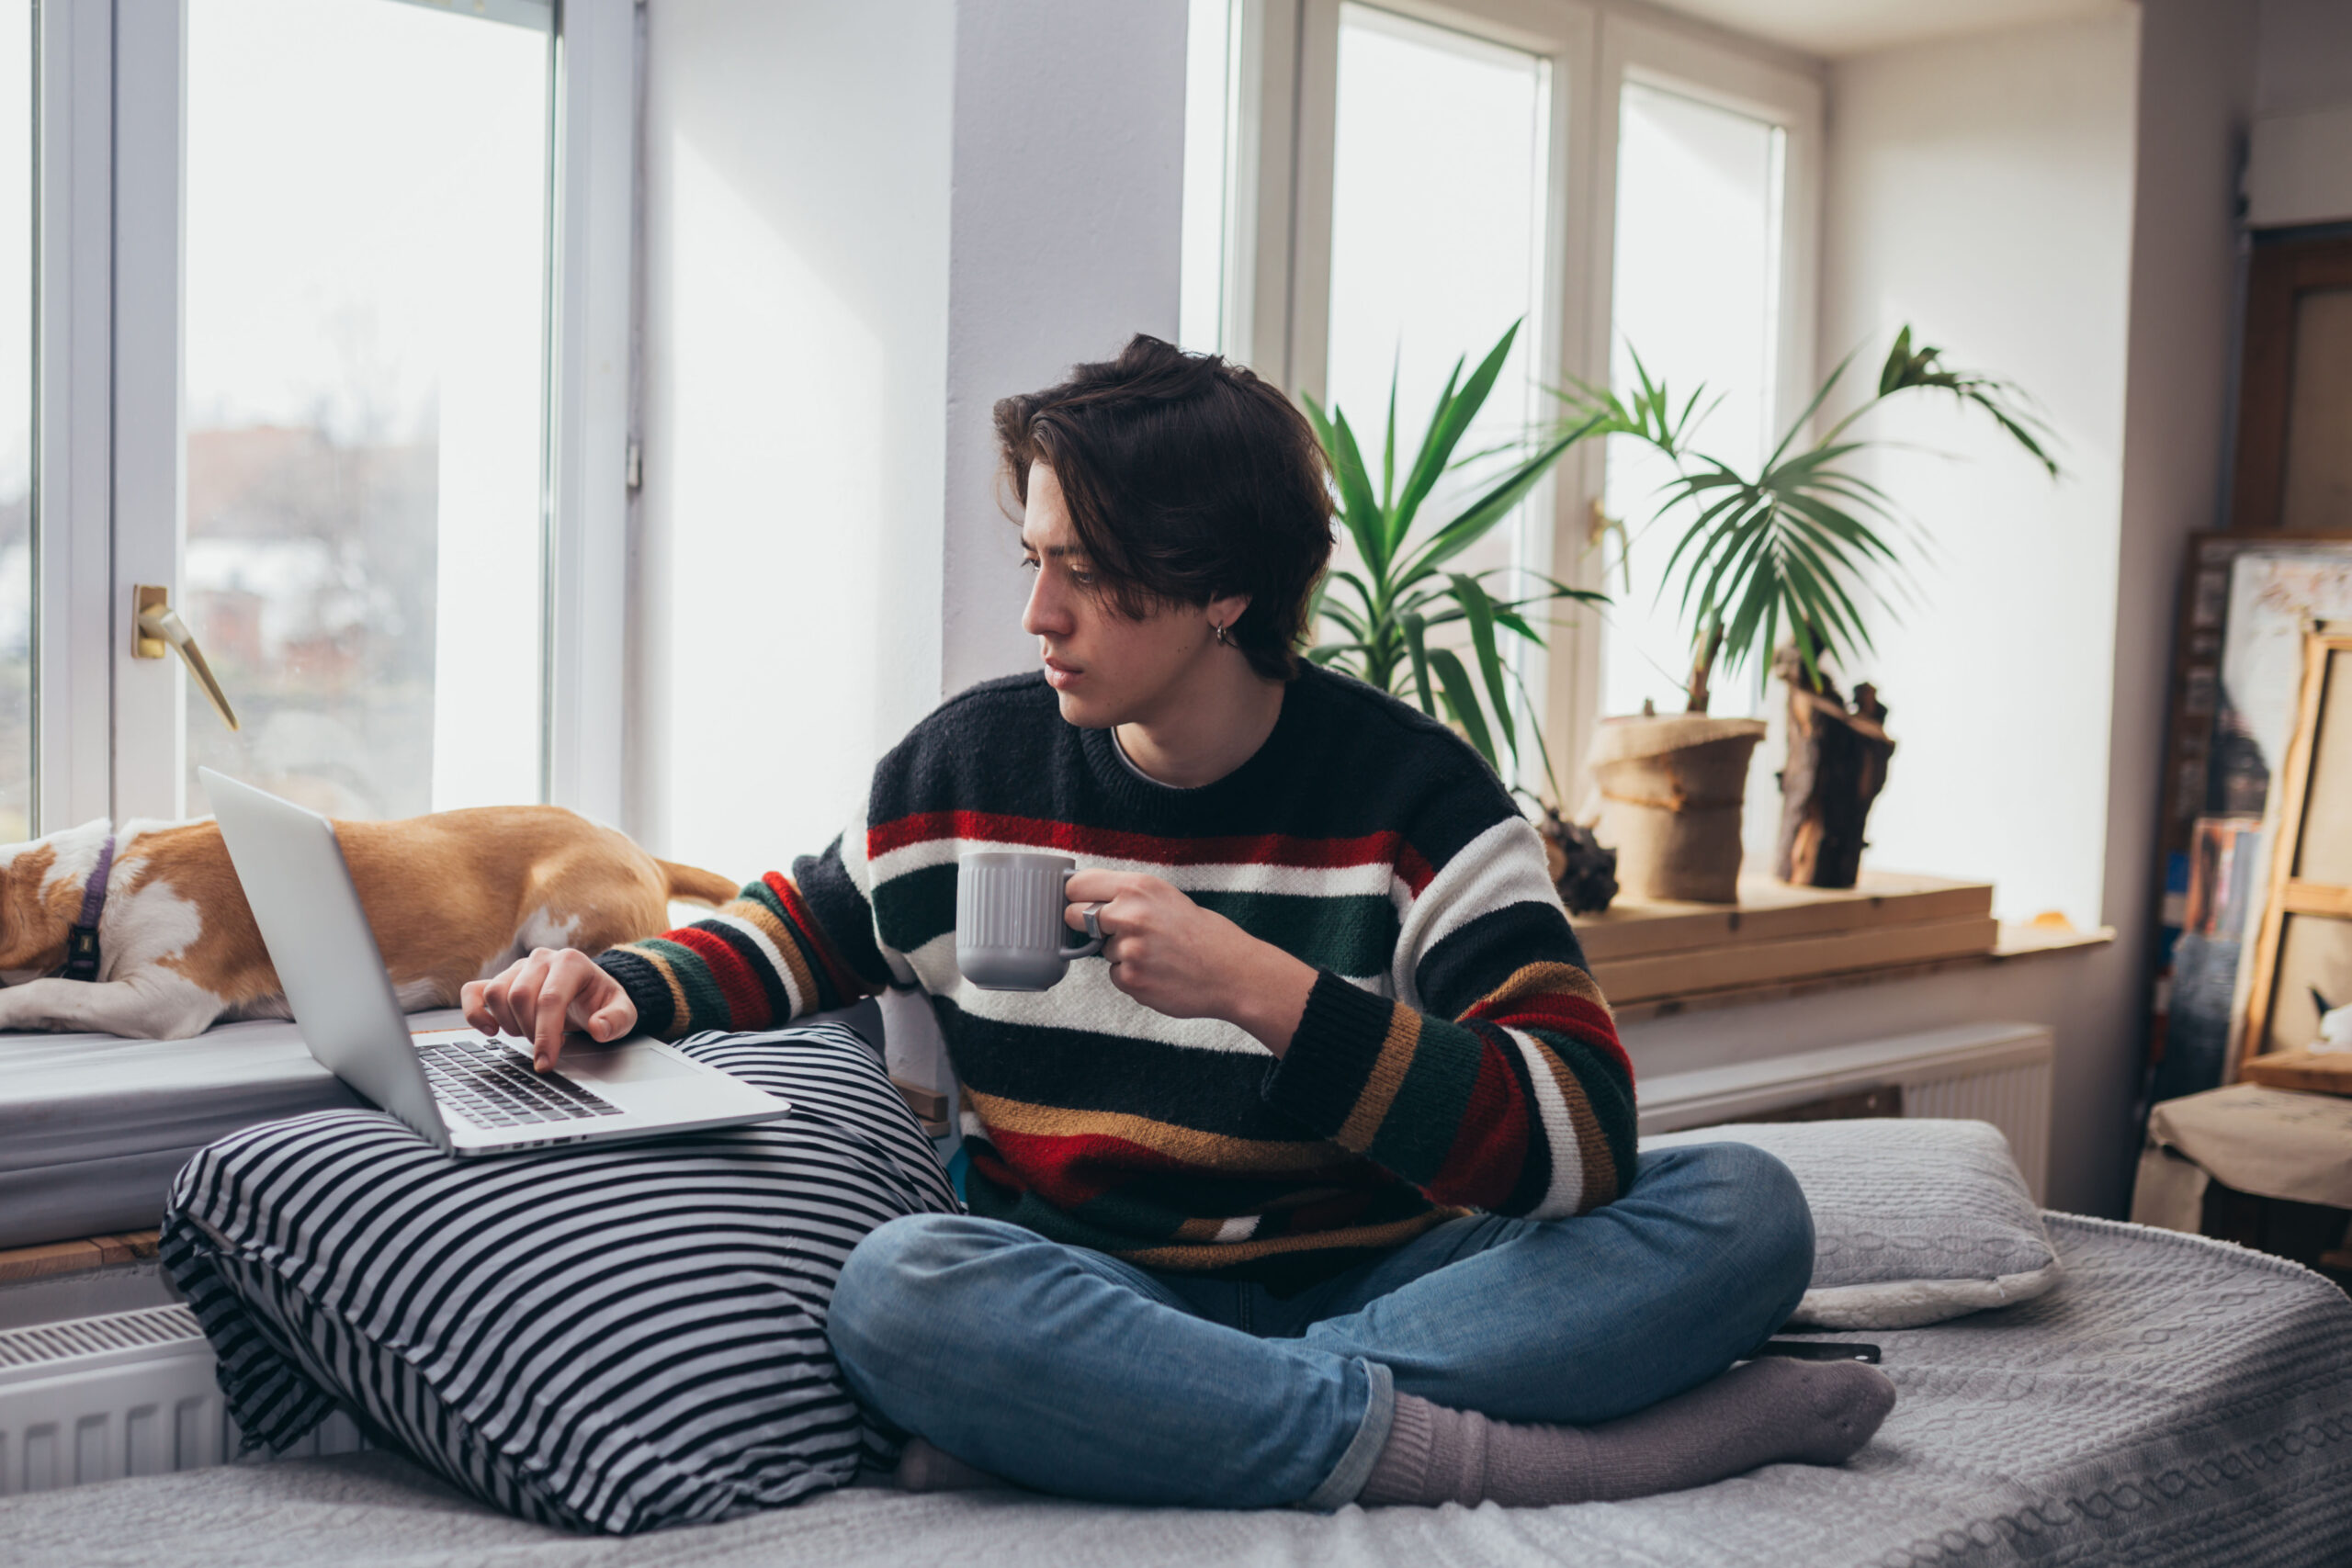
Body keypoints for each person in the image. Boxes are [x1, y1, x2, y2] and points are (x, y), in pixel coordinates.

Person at [463, 335, 1894, 1512]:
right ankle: (1490, 1458)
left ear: (1226, 588)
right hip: (1086, 1287)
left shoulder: (1415, 797)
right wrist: (617, 987)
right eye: (1035, 556)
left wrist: (1269, 992)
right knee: (905, 1290)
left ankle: (1156, 1426)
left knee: (1741, 1210)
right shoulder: (967, 771)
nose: (1036, 612)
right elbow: (796, 929)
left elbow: (1578, 1135)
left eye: (1083, 570)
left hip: (1387, 1276)